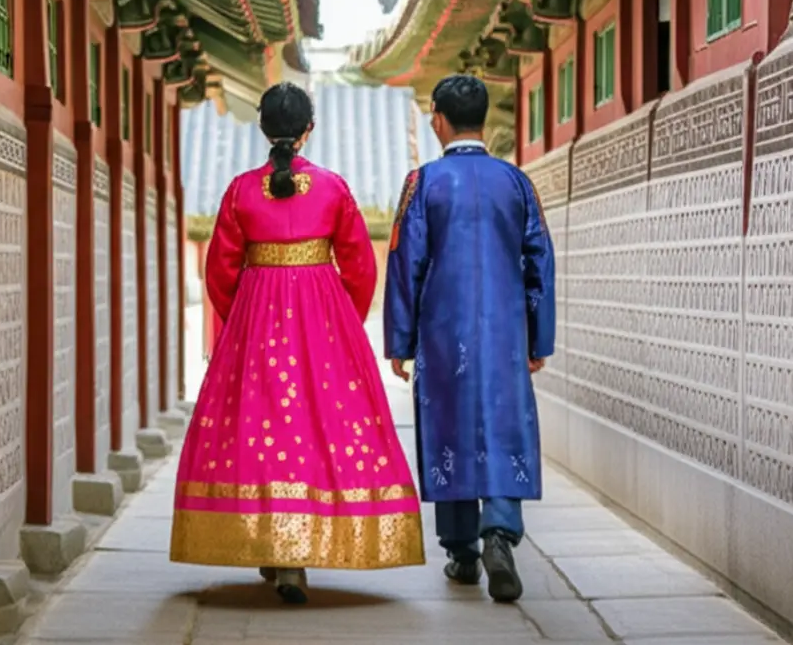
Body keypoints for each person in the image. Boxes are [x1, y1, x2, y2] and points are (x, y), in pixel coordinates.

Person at [170, 82, 425, 603]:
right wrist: (340, 323)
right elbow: (358, 264)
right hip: (322, 322)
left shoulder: (241, 190)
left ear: (264, 128)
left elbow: (219, 270)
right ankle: (295, 555)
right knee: (312, 430)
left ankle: (273, 548)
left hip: (256, 321)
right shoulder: (332, 188)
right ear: (309, 131)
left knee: (260, 430)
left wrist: (242, 316)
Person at [383, 74, 555, 603]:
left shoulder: (424, 183)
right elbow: (540, 262)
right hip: (505, 331)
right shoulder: (517, 182)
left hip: (443, 332)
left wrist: (401, 340)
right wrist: (538, 339)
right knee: (504, 422)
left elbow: (405, 262)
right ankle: (500, 532)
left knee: (450, 426)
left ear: (438, 118)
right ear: (484, 119)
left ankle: (461, 551)